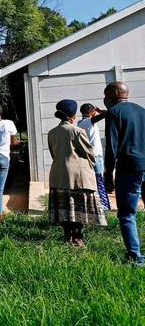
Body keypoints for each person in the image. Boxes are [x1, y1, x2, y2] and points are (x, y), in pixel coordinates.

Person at [48, 99, 107, 247]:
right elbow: (89, 153)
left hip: (58, 175)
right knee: (78, 208)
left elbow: (53, 153)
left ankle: (67, 237)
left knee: (65, 208)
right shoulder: (77, 131)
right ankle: (78, 238)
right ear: (73, 116)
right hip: (77, 176)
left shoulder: (52, 132)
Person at [103, 82, 145, 266]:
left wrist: (108, 174)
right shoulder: (142, 111)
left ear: (114, 93)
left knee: (127, 213)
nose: (105, 99)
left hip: (129, 167)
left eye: (106, 95)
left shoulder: (114, 113)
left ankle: (135, 257)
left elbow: (111, 147)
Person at [77, 103, 110, 210]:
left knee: (92, 180)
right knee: (99, 179)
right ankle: (103, 206)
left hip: (89, 155)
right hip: (96, 156)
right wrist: (100, 111)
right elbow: (108, 113)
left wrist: (95, 112)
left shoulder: (79, 123)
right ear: (92, 112)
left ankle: (94, 204)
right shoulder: (88, 122)